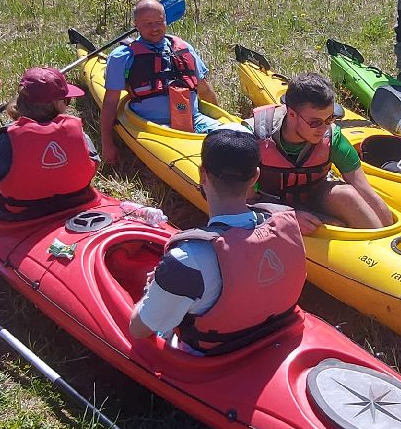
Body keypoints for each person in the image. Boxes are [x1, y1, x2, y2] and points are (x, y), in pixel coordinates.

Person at [126, 128, 308, 355]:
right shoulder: (287, 224)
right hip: (276, 331)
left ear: (203, 174)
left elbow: (139, 330)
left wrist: (150, 289)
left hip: (214, 354)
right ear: (255, 177)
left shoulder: (186, 259)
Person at [249, 73, 393, 231]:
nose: (324, 128)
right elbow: (236, 201)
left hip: (313, 197)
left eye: (330, 119)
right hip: (266, 207)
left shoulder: (333, 138)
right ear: (291, 114)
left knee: (348, 195)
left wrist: (388, 232)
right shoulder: (252, 138)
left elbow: (366, 193)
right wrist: (286, 215)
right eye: (315, 122)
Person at [101, 0, 224, 165]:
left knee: (239, 134)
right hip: (154, 127)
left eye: (159, 22)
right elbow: (110, 103)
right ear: (136, 24)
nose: (155, 28)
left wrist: (220, 118)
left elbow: (204, 90)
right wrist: (107, 144)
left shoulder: (183, 48)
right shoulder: (121, 56)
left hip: (194, 119)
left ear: (166, 19)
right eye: (147, 23)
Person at [0, 67, 99, 220]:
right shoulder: (80, 136)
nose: (68, 104)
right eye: (67, 100)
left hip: (19, 217)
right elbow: (93, 163)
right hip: (76, 206)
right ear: (57, 104)